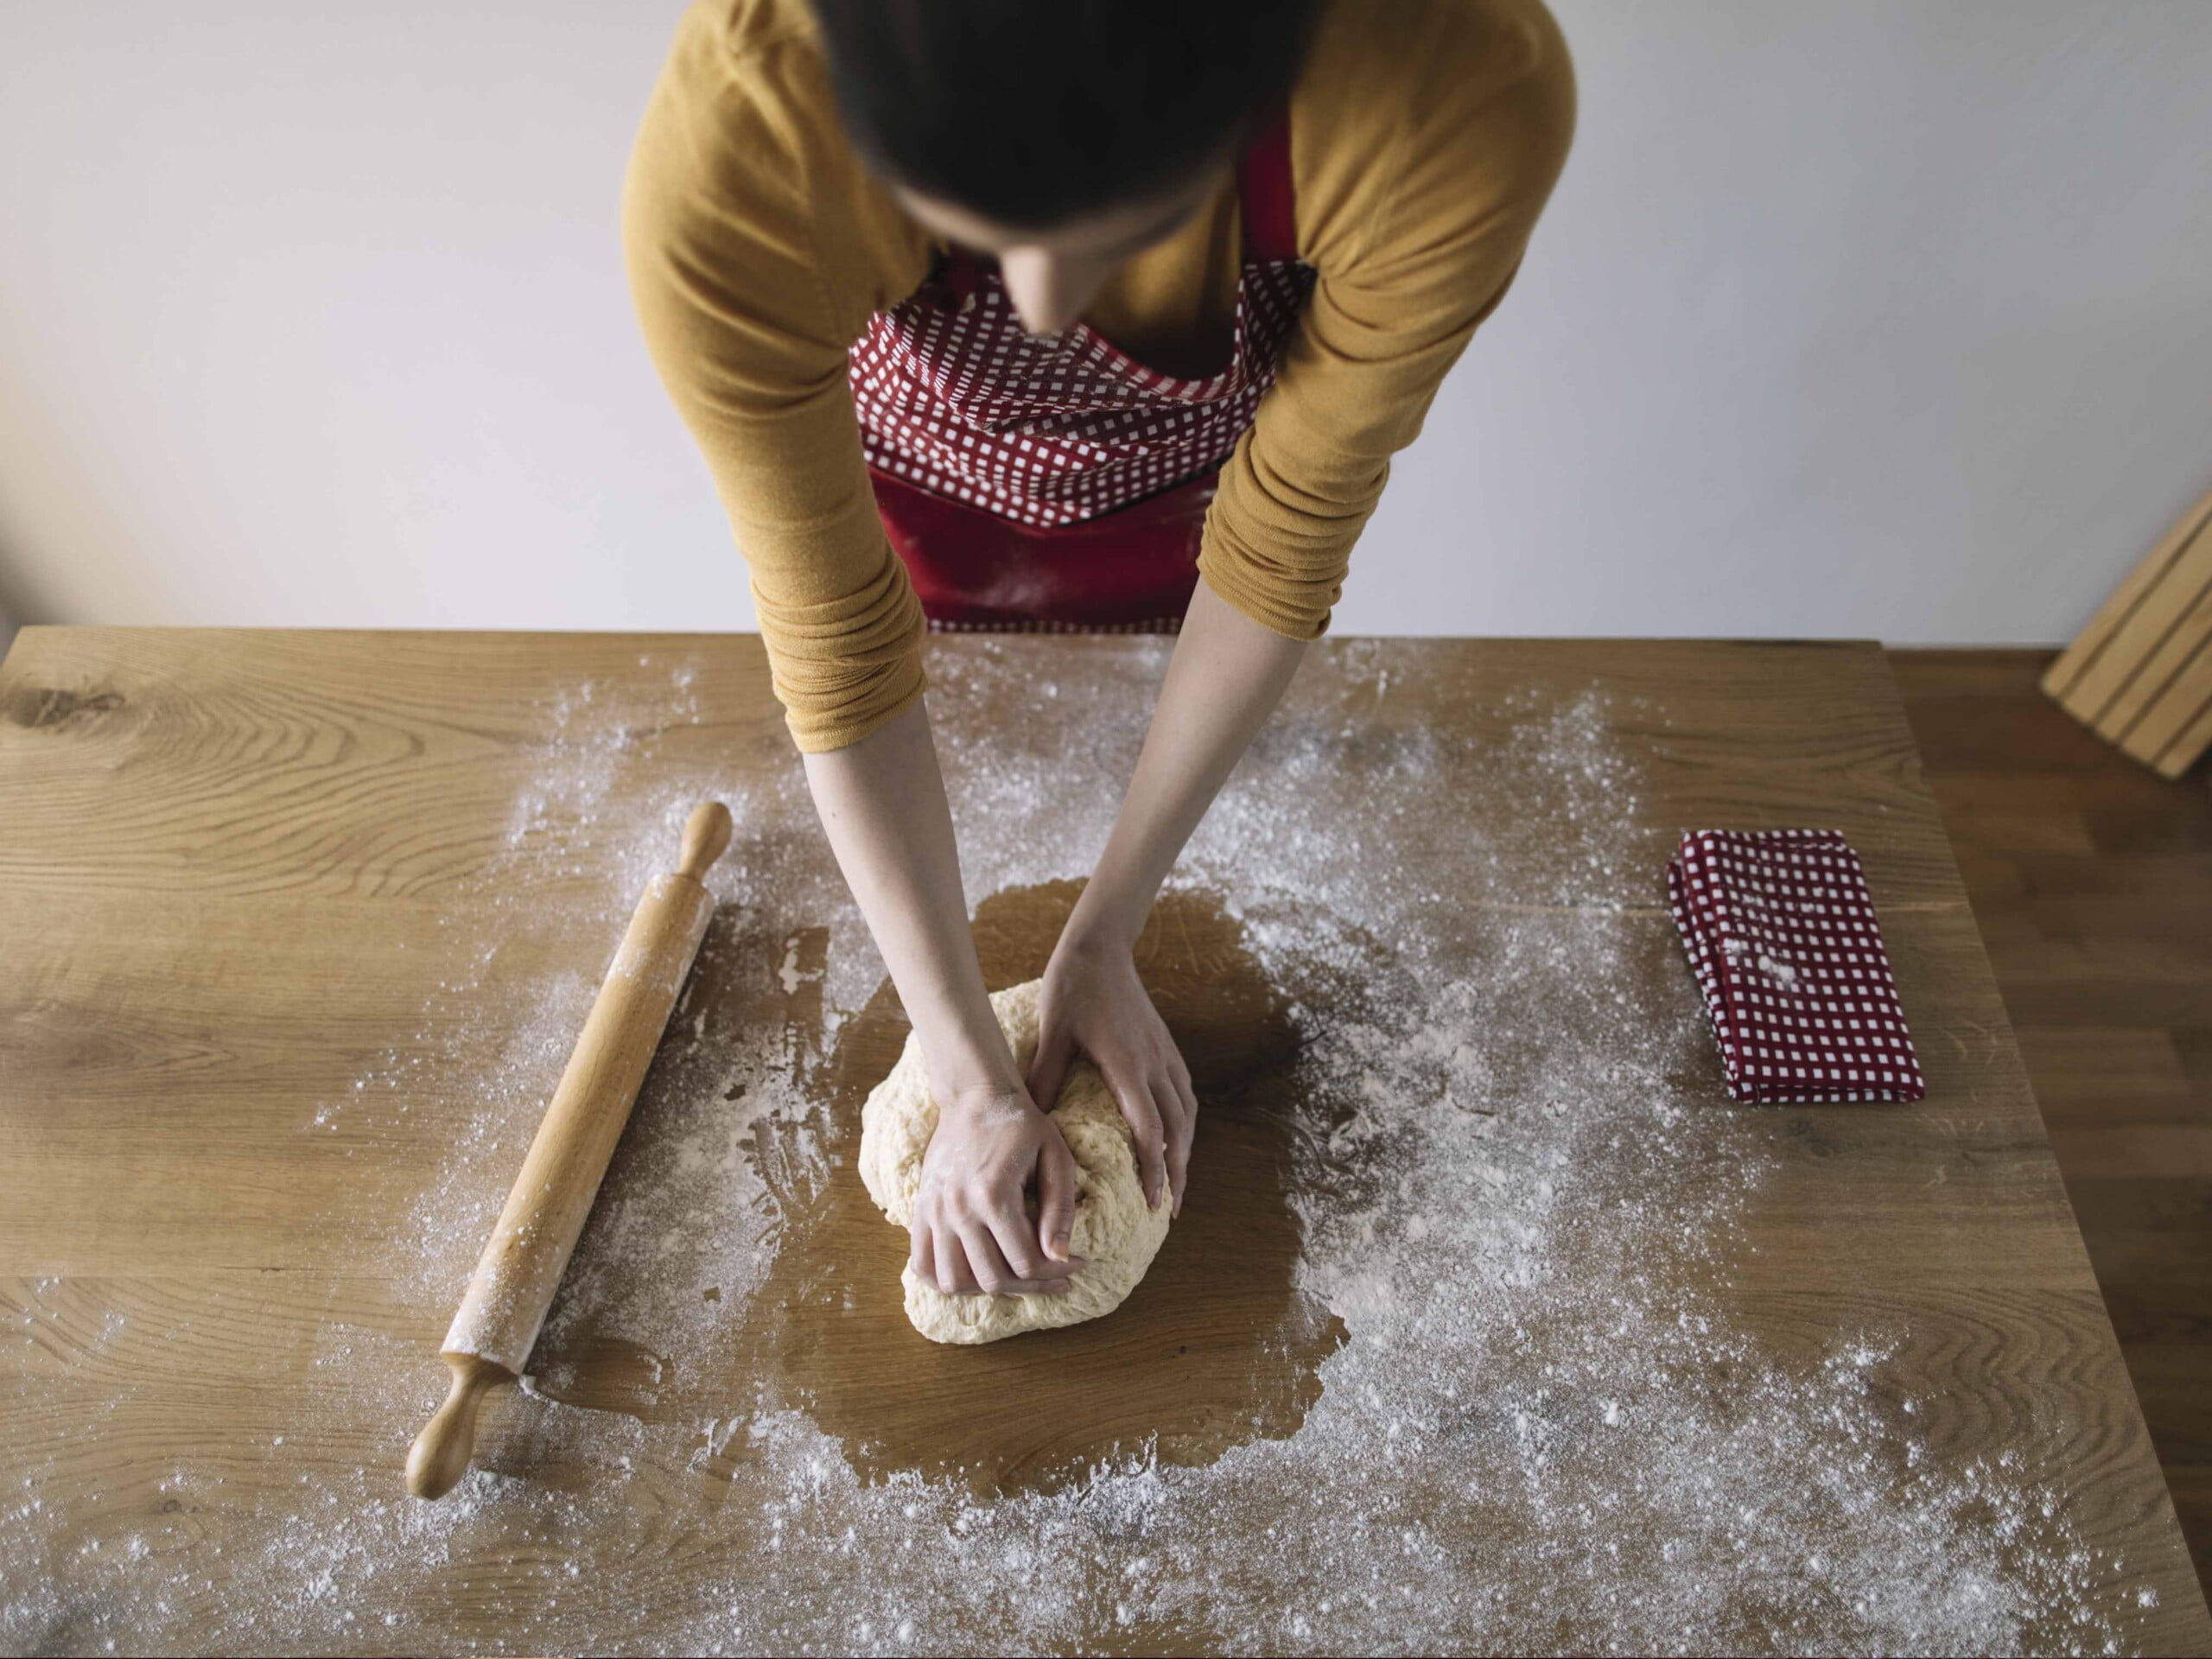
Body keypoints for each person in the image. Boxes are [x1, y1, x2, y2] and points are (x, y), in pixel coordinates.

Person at [624, 0, 1574, 1303]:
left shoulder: (1449, 95)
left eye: (1126, 233)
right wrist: (963, 1066)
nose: (1044, 303)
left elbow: (1282, 536)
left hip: (1196, 514)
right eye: (969, 225)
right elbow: (839, 636)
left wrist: (1107, 931)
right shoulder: (743, 153)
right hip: (915, 503)